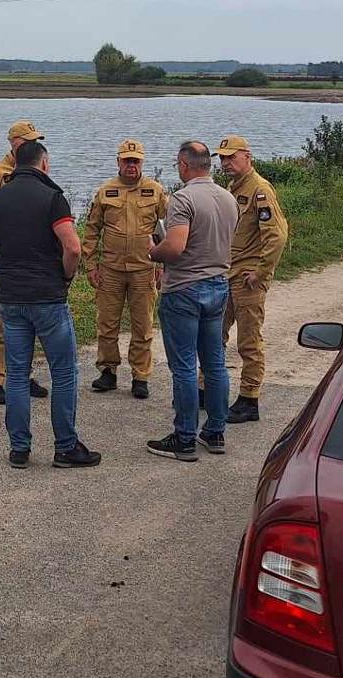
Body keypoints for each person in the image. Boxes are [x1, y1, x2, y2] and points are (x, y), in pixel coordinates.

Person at [0, 139, 102, 470]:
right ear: (43, 164)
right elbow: (73, 247)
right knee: (64, 373)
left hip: (12, 299)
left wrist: (4, 269)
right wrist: (65, 275)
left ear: (15, 164)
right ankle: (66, 447)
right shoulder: (52, 198)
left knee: (16, 374)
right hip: (48, 298)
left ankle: (19, 448)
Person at [144, 141, 236, 462]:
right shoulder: (228, 198)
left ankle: (183, 437)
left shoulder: (183, 199)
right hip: (218, 284)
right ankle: (215, 431)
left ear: (184, 165)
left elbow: (175, 247)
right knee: (214, 363)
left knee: (183, 365)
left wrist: (153, 251)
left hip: (184, 288)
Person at [81, 139, 167, 400]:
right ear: (118, 161)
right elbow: (92, 230)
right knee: (107, 323)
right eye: (127, 160)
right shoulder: (106, 191)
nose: (131, 165)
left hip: (144, 268)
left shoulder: (155, 191)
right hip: (111, 269)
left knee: (143, 325)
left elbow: (166, 230)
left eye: (136, 161)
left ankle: (140, 376)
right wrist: (91, 265)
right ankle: (108, 371)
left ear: (142, 162)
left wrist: (163, 264)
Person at [217, 135, 290, 424]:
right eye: (222, 158)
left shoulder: (260, 189)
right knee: (214, 334)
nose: (226, 163)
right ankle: (205, 389)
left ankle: (249, 398)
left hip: (246, 277)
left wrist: (261, 272)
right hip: (227, 272)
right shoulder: (232, 189)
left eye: (231, 157)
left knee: (248, 340)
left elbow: (277, 235)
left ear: (247, 156)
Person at [0, 120, 49, 406]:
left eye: (35, 141)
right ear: (14, 143)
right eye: (27, 141)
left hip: (29, 259)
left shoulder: (37, 172)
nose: (32, 145)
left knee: (28, 323)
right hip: (3, 258)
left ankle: (21, 375)